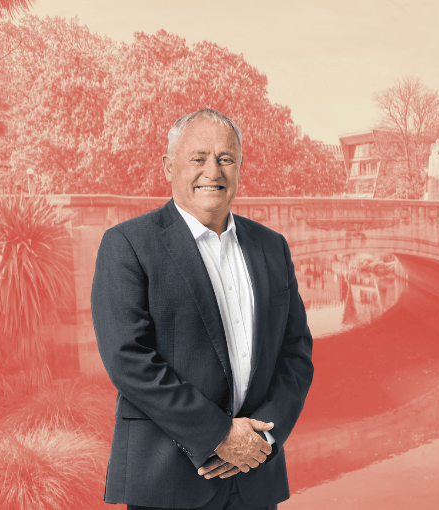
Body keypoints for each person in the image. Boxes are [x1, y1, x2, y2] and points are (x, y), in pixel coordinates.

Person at [91, 108, 313, 510]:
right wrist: (218, 435)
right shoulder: (127, 245)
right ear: (168, 166)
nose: (213, 171)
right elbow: (127, 359)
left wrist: (261, 437)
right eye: (198, 158)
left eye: (226, 159)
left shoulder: (272, 247)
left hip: (254, 476)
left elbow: (296, 353)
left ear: (241, 167)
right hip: (169, 481)